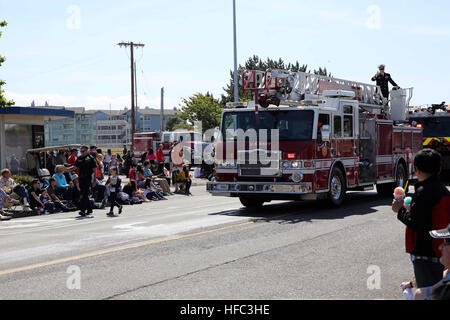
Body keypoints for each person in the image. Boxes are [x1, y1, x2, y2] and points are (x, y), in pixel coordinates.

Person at [392, 149, 450, 287]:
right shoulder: (444, 190)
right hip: (442, 251)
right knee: (439, 287)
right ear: (439, 169)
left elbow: (415, 223)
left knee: (427, 291)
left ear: (416, 169)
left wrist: (399, 210)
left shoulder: (423, 192)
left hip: (425, 252)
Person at [401, 224, 450, 300]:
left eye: (447, 242)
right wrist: (412, 284)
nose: (440, 247)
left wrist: (421, 294)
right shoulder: (447, 273)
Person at [72, 146, 97, 217]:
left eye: (83, 151)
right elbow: (75, 167)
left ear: (87, 151)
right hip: (81, 178)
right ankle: (89, 209)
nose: (82, 153)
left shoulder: (91, 158)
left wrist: (94, 180)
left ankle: (82, 210)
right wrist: (66, 169)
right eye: (81, 151)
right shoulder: (80, 158)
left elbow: (94, 170)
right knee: (83, 194)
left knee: (84, 194)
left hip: (88, 178)